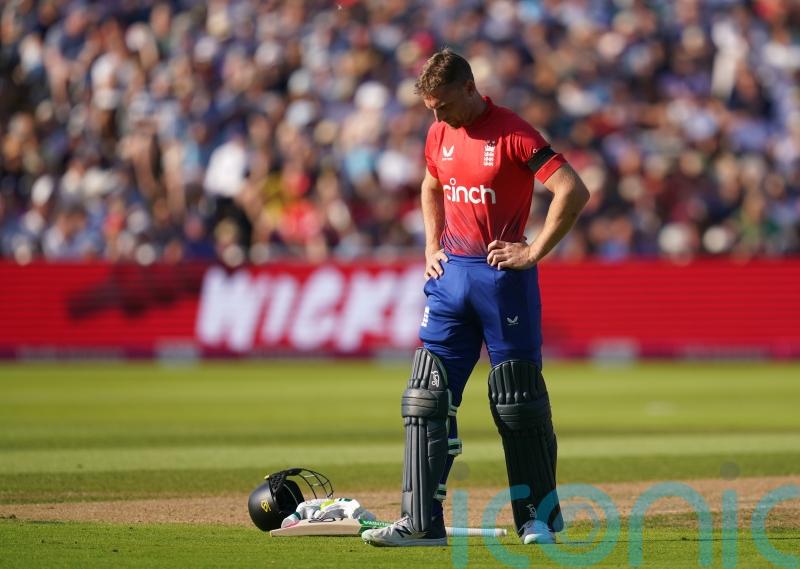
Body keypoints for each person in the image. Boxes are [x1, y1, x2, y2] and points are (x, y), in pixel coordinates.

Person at [362, 49, 590, 547]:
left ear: (469, 87)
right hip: (450, 281)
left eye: (442, 104)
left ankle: (538, 519)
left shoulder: (513, 132)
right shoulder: (439, 131)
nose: (436, 116)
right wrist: (429, 245)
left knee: (517, 400)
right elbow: (430, 185)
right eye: (429, 108)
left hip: (501, 279)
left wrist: (533, 251)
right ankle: (421, 524)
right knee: (425, 397)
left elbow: (572, 190)